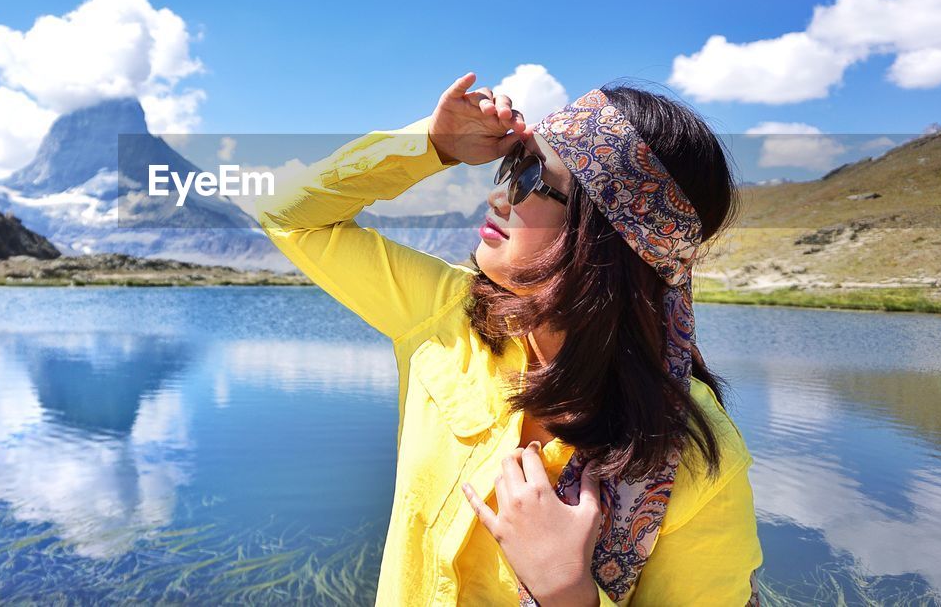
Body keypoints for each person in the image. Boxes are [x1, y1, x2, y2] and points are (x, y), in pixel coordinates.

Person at [257, 73, 762, 606]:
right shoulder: (449, 313)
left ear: (608, 237)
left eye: (532, 180)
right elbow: (289, 217)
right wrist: (431, 145)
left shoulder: (694, 460)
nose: (499, 195)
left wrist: (566, 592)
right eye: (514, 165)